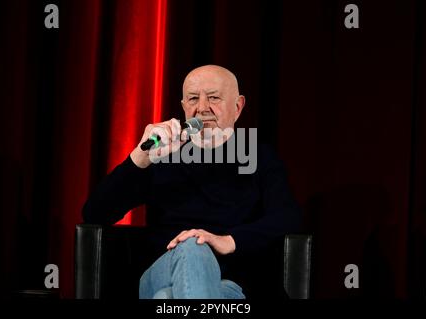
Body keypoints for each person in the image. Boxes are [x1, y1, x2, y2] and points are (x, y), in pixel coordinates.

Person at [82, 65, 302, 299]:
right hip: (162, 271)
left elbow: (288, 217)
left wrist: (228, 241)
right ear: (184, 107)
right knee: (192, 245)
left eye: (214, 98)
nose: (202, 108)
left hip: (233, 284)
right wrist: (140, 155)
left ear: (237, 107)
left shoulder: (259, 156)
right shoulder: (162, 154)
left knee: (166, 298)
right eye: (193, 99)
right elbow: (95, 213)